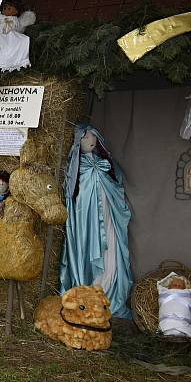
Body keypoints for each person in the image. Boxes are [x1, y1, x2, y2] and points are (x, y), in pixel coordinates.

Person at [59, 124, 133, 318]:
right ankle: (89, 289)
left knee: (109, 248)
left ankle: (107, 289)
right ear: (77, 143)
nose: (90, 140)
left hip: (107, 216)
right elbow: (74, 198)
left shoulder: (105, 163)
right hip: (87, 220)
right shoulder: (76, 168)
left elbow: (116, 188)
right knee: (90, 247)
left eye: (92, 137)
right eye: (85, 138)